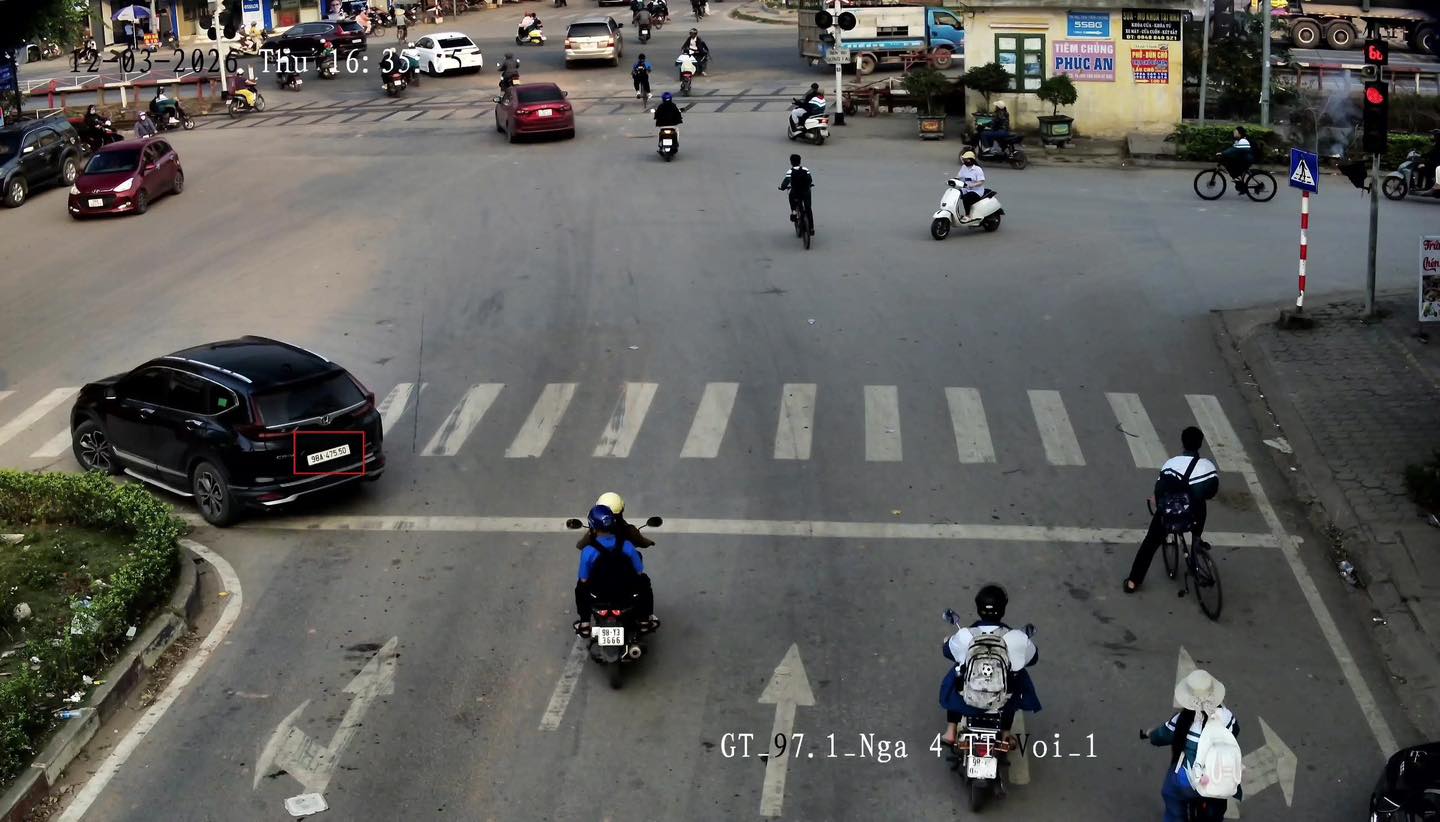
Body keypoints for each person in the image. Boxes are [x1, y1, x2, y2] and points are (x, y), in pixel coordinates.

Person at [938, 585, 1040, 749]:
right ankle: (1006, 736)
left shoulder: (965, 635)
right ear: (1003, 609)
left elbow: (947, 652)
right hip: (1001, 702)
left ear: (978, 608)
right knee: (1016, 677)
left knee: (958, 673)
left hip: (969, 701)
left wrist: (947, 642)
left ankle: (951, 731)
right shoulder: (1015, 638)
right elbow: (1034, 658)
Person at [1123, 426, 1219, 593]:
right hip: (1194, 516)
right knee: (1201, 504)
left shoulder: (1171, 464)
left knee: (1150, 543)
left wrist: (1157, 501)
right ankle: (1196, 540)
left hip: (1171, 515)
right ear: (1200, 444)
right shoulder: (1208, 467)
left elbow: (1160, 489)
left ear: (1183, 443)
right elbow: (1211, 491)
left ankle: (1133, 581)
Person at [1143, 670, 1241, 822]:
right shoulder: (1226, 717)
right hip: (1219, 778)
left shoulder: (1182, 720)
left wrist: (1151, 735)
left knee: (1170, 794)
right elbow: (1235, 731)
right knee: (1215, 810)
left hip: (1188, 781)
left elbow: (1161, 736)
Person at [575, 505, 657, 629]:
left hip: (598, 595)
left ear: (592, 526)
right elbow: (639, 571)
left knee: (580, 588)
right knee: (645, 582)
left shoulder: (588, 551)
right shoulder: (627, 546)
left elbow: (584, 579)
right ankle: (645, 619)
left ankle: (585, 622)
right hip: (626, 594)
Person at [575, 492, 656, 551]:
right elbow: (642, 542)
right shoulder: (630, 531)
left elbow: (580, 545)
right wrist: (650, 543)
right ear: (621, 511)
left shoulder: (592, 533)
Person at [779, 153, 814, 233]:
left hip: (796, 192)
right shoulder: (805, 169)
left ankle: (794, 212)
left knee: (791, 197)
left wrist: (782, 188)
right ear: (800, 161)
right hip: (806, 192)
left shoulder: (790, 171)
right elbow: (810, 180)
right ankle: (811, 228)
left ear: (791, 162)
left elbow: (785, 182)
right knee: (808, 209)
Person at [956, 150, 986, 221]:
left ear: (971, 160)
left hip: (977, 191)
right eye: (964, 159)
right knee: (955, 194)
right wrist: (954, 179)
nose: (964, 161)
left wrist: (973, 185)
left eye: (966, 160)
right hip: (966, 189)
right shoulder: (964, 167)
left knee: (966, 198)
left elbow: (981, 181)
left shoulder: (977, 169)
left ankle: (968, 215)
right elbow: (959, 176)